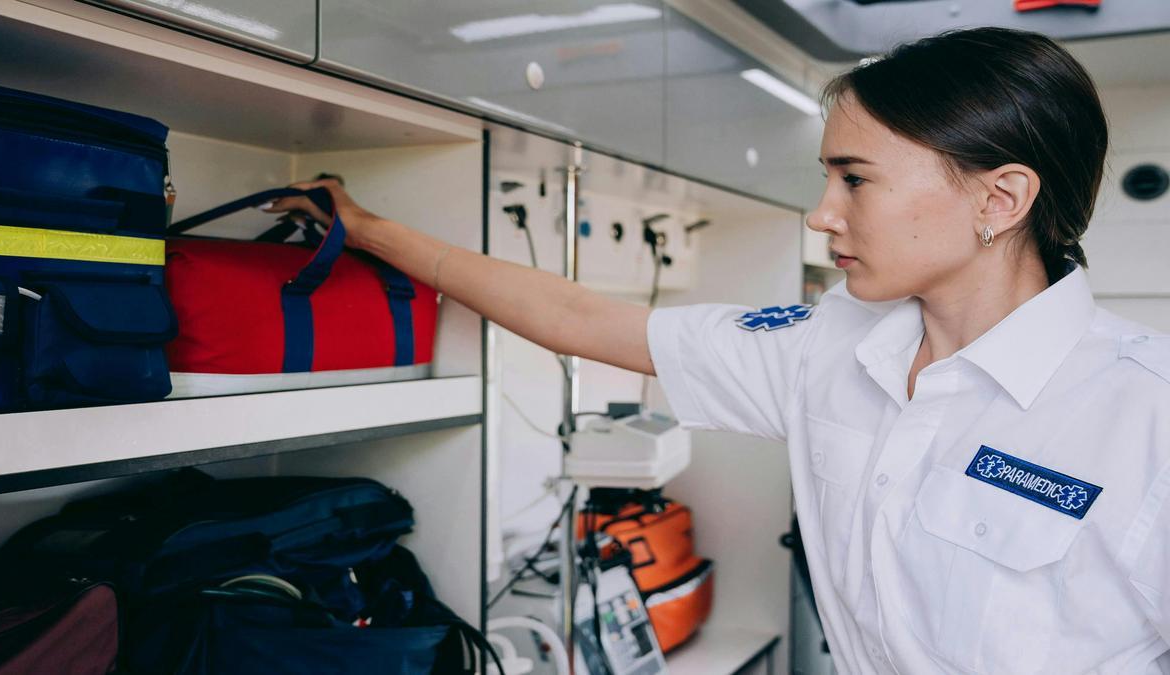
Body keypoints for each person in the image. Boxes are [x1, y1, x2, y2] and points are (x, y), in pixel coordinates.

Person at [269, 26, 1170, 674]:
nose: (824, 214)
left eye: (855, 179)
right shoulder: (830, 343)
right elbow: (585, 320)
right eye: (826, 177)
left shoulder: (1147, 411)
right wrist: (374, 231)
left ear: (1000, 199)